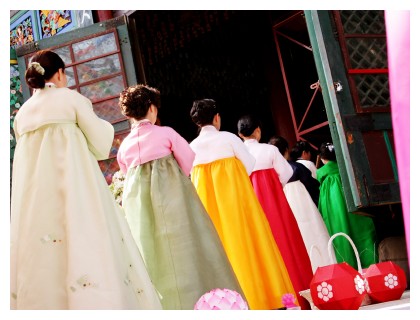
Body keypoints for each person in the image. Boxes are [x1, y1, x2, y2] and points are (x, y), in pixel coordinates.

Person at [10, 50, 162, 310]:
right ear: (59, 73)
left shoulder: (22, 115)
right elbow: (102, 145)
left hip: (37, 200)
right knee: (86, 239)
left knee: (45, 255)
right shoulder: (70, 100)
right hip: (76, 187)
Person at [117, 85, 243, 310]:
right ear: (152, 108)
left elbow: (127, 176)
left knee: (153, 254)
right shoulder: (166, 133)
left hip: (142, 210)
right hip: (176, 199)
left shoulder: (125, 146)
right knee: (192, 245)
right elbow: (187, 160)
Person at [189, 99, 297, 310]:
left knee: (224, 251)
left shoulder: (191, 147)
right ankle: (271, 300)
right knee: (254, 245)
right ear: (217, 117)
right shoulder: (229, 138)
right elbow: (249, 165)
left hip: (210, 210)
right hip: (239, 203)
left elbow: (190, 176)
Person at [237, 115, 313, 308]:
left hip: (251, 207)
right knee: (287, 244)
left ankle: (272, 301)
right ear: (258, 131)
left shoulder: (237, 154)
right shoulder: (270, 150)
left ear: (240, 134)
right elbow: (287, 174)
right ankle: (298, 297)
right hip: (275, 203)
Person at [268, 135, 335, 272]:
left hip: (283, 214)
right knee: (315, 236)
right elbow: (315, 188)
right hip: (305, 209)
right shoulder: (297, 168)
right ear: (286, 150)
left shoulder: (269, 175)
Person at [317, 142, 378, 269]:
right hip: (354, 206)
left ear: (322, 158)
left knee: (340, 233)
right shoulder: (346, 168)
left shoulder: (322, 174)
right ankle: (371, 266)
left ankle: (348, 268)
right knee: (360, 231)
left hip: (334, 208)